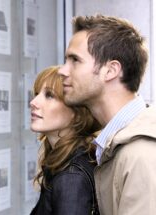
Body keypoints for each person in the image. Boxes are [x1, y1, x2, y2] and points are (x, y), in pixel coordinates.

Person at [58, 14, 156, 215]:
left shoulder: (140, 155)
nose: (62, 70)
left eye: (75, 60)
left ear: (111, 71)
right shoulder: (116, 144)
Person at [30, 66, 101, 215]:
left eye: (49, 95)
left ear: (76, 113)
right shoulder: (64, 162)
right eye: (37, 94)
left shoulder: (71, 178)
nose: (33, 102)